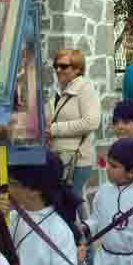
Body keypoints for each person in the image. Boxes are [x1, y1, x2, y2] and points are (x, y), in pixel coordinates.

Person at [48, 48, 101, 203]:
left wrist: (54, 129)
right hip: (61, 157)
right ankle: (85, 227)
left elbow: (91, 121)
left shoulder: (84, 88)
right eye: (56, 66)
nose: (58, 70)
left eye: (64, 66)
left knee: (69, 204)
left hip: (76, 160)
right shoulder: (60, 90)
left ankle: (82, 227)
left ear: (78, 68)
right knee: (72, 204)